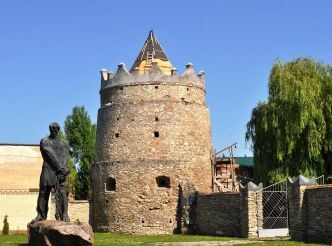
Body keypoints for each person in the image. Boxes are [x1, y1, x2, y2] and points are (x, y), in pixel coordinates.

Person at [31, 122, 70, 223]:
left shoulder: (64, 143)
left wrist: (63, 169)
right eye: (52, 129)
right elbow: (50, 155)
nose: (54, 131)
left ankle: (64, 214)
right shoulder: (45, 141)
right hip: (48, 169)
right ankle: (41, 214)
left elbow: (66, 156)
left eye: (56, 129)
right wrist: (61, 168)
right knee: (43, 192)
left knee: (62, 192)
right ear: (50, 130)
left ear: (59, 130)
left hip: (60, 172)